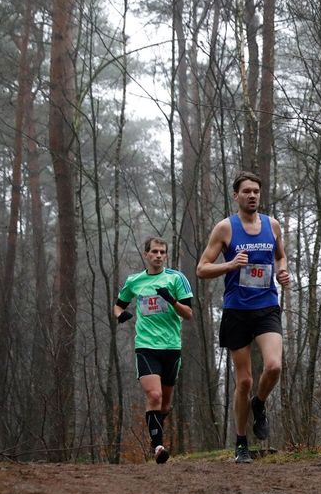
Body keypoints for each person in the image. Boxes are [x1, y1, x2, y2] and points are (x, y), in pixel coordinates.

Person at [197, 171, 291, 464]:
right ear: (236, 196)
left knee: (274, 366)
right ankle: (240, 442)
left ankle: (259, 405)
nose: (252, 196)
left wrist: (282, 271)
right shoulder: (225, 228)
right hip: (237, 309)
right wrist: (230, 266)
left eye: (256, 191)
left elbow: (280, 256)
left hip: (266, 306)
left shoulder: (272, 225)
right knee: (245, 381)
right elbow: (202, 268)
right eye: (247, 191)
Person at [114, 237, 194, 464]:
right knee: (154, 395)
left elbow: (188, 314)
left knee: (165, 405)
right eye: (155, 252)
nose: (159, 255)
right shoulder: (135, 281)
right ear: (146, 254)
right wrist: (121, 315)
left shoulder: (176, 279)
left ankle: (154, 436)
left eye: (163, 252)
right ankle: (158, 446)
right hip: (146, 346)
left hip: (171, 347)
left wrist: (171, 300)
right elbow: (118, 305)